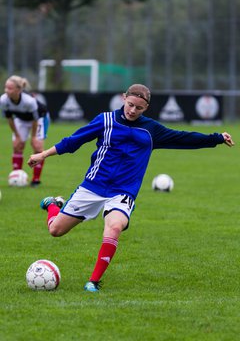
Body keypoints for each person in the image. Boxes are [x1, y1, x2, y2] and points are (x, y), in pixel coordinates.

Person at [27, 84, 234, 292]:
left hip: (123, 192)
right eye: (130, 104)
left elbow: (184, 138)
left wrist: (216, 138)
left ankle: (93, 281)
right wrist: (42, 155)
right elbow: (73, 142)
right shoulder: (105, 120)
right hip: (93, 186)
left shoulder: (151, 130)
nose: (133, 110)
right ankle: (53, 205)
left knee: (114, 226)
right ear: (124, 98)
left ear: (146, 108)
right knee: (55, 230)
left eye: (139, 108)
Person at [0, 75, 49, 187]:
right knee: (17, 146)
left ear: (19, 89)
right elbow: (9, 119)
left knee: (37, 148)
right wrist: (17, 136)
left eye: (10, 88)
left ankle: (36, 180)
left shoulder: (29, 101)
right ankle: (16, 176)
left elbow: (36, 120)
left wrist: (33, 137)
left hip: (39, 119)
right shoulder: (3, 100)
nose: (6, 90)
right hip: (21, 120)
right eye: (5, 87)